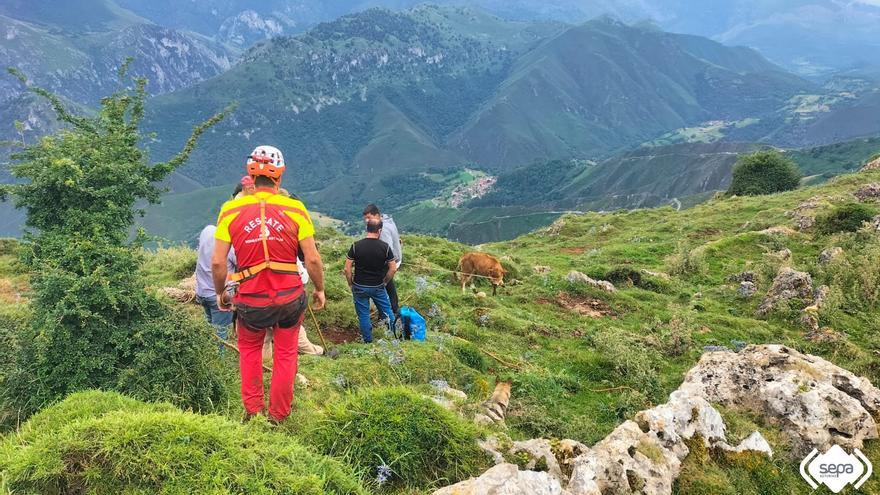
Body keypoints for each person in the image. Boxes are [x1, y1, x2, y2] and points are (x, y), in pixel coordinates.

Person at [211, 145, 326, 423]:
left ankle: (254, 413)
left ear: (250, 173)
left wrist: (220, 293)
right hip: (290, 297)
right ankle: (278, 416)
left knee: (249, 353)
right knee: (285, 354)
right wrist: (320, 289)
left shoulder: (230, 210)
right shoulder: (296, 209)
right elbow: (311, 259)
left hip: (251, 300)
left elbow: (216, 263)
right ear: (280, 176)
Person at [344, 220, 397, 343]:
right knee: (387, 312)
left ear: (367, 229)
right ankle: (394, 336)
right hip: (378, 286)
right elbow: (393, 268)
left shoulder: (356, 246)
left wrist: (350, 283)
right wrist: (385, 281)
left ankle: (368, 341)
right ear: (379, 231)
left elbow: (347, 269)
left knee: (363, 315)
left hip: (359, 286)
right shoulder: (385, 247)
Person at [194, 224, 236, 353]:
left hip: (201, 292)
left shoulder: (207, 230)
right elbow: (243, 267)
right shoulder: (232, 245)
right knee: (221, 334)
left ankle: (206, 355)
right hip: (219, 296)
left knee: (210, 328)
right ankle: (218, 365)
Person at [362, 204, 402, 315]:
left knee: (382, 286)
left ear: (377, 215)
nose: (366, 221)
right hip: (395, 258)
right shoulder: (387, 221)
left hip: (390, 262)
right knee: (388, 286)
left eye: (369, 217)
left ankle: (386, 314)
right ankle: (392, 310)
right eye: (365, 218)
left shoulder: (382, 229)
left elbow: (386, 250)